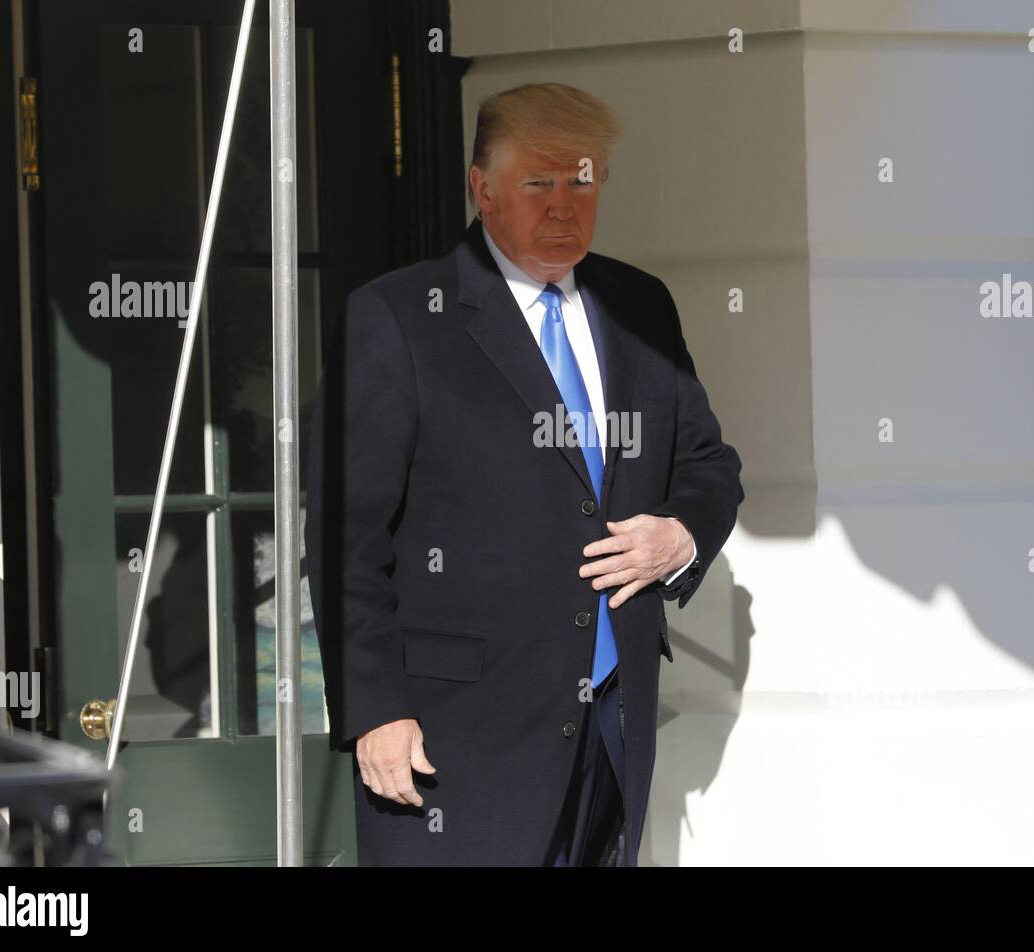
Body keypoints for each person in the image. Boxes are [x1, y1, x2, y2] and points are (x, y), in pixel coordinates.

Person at [304, 82, 743, 866]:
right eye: (538, 183)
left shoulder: (641, 306)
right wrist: (376, 711)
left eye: (582, 179)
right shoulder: (398, 317)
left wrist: (679, 536)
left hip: (613, 726)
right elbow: (346, 534)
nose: (564, 204)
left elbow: (709, 464)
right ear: (482, 187)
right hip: (455, 741)